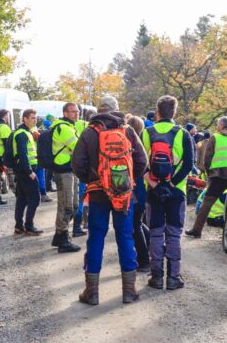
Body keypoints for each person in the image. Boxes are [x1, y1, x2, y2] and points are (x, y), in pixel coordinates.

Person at [72, 96, 148, 304]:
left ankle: (92, 292)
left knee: (96, 237)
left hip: (97, 194)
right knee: (125, 237)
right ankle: (129, 291)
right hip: (124, 195)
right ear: (116, 110)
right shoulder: (128, 131)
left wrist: (92, 180)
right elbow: (143, 161)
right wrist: (128, 181)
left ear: (98, 110)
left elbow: (77, 163)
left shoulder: (90, 132)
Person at [141, 95, 194, 290]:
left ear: (157, 111)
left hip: (153, 191)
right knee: (173, 234)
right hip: (176, 192)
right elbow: (188, 164)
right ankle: (173, 277)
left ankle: (156, 277)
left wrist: (155, 184)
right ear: (174, 112)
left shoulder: (147, 133)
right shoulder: (182, 133)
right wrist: (171, 184)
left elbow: (139, 163)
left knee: (155, 234)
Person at [187, 116, 227, 239]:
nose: (216, 126)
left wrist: (209, 174)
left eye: (218, 124)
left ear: (221, 125)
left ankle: (197, 230)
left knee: (207, 203)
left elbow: (207, 159)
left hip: (218, 175)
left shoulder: (215, 137)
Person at [49, 103, 82, 253]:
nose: (77, 114)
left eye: (78, 112)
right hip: (63, 170)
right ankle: (63, 240)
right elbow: (78, 147)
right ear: (65, 113)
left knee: (74, 205)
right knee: (67, 205)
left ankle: (59, 234)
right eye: (74, 112)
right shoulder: (63, 128)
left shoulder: (70, 127)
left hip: (70, 169)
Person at [10, 109, 43, 236]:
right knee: (35, 198)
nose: (35, 120)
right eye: (32, 118)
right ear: (25, 119)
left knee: (22, 199)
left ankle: (19, 226)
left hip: (23, 170)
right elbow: (22, 154)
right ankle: (29, 226)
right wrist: (29, 171)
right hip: (26, 171)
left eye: (35, 117)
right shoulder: (22, 134)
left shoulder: (26, 132)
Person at [125, 115, 152, 272]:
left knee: (135, 225)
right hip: (142, 188)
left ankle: (143, 261)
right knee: (138, 223)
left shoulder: (130, 145)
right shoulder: (143, 144)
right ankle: (156, 247)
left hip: (135, 188)